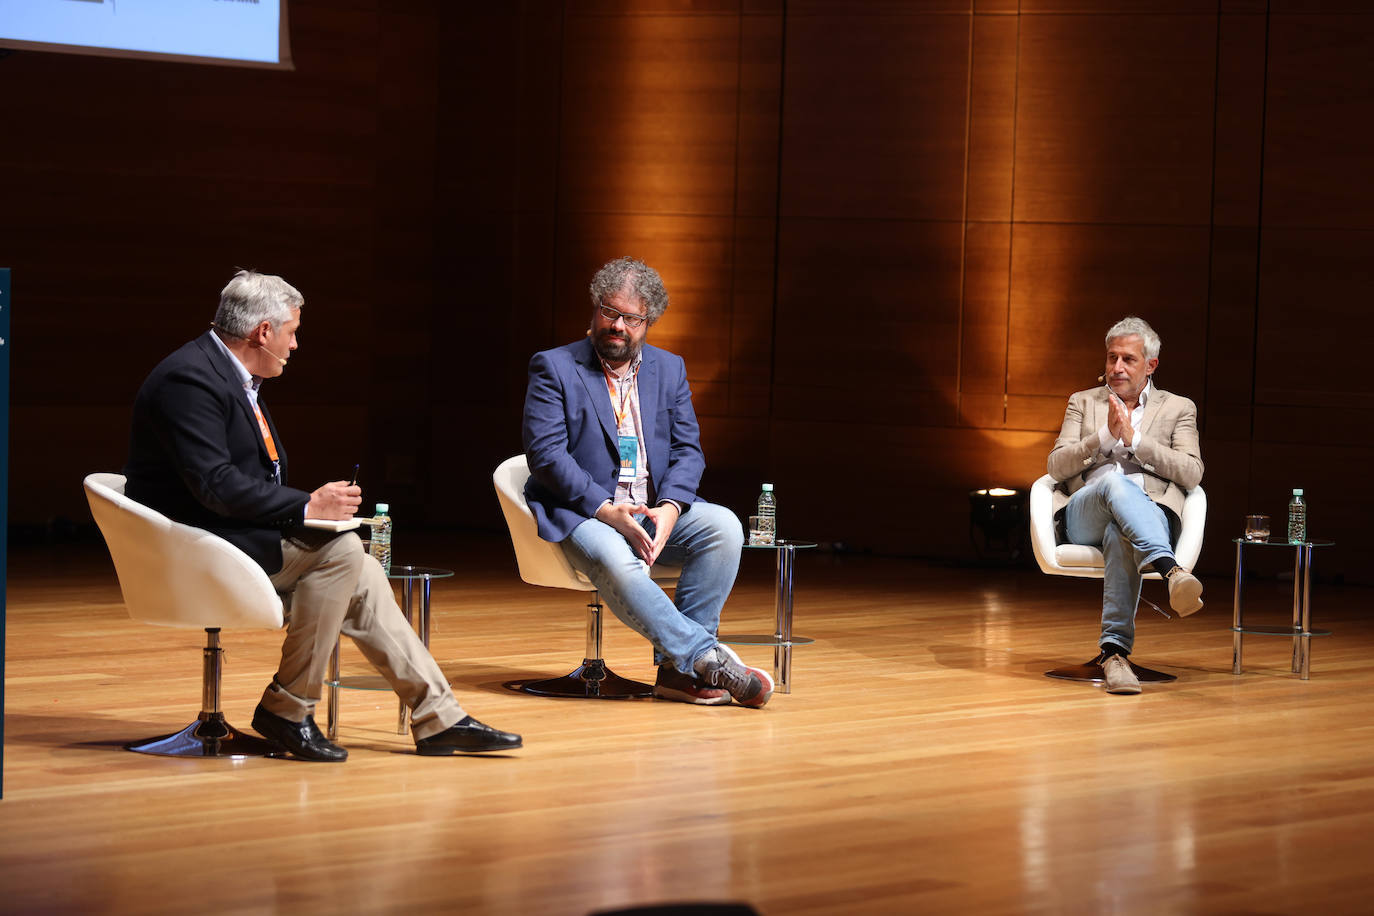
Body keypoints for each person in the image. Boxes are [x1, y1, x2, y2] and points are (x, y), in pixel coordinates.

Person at [124, 269, 521, 760]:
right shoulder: (190, 379)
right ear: (262, 332)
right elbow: (215, 485)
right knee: (342, 554)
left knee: (360, 568)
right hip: (193, 548)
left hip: (229, 536)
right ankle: (287, 708)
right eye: (291, 331)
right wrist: (308, 506)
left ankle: (438, 718)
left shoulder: (227, 374)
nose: (295, 344)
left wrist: (310, 512)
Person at [521, 256, 771, 708]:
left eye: (631, 318)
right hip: (584, 510)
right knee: (618, 559)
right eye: (609, 312)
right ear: (595, 309)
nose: (618, 325)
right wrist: (606, 510)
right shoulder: (554, 367)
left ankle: (678, 676)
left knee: (725, 528)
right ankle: (703, 658)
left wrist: (672, 508)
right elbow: (546, 456)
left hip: (650, 510)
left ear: (648, 322)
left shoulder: (668, 368)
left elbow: (688, 451)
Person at [1047, 316, 1205, 696]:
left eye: (1128, 360)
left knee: (1121, 531)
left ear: (1150, 365)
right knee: (1113, 482)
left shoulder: (1178, 408)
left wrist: (1136, 441)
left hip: (1146, 516)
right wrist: (1103, 437)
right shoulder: (1083, 402)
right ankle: (1170, 570)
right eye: (1111, 358)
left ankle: (1115, 656)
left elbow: (1192, 471)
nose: (1117, 368)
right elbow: (1055, 465)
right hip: (1085, 512)